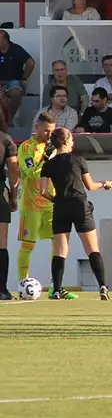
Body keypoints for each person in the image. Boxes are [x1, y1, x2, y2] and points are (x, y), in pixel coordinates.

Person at [38, 128, 112, 300]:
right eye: (71, 139)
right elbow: (90, 185)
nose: (73, 141)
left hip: (61, 207)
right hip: (80, 205)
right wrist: (104, 183)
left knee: (60, 251)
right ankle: (103, 286)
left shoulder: (48, 164)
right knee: (92, 249)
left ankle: (57, 289)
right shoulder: (78, 160)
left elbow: (42, 190)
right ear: (65, 141)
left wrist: (55, 199)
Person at [15, 113, 57, 293]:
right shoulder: (26, 148)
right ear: (37, 127)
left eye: (52, 131)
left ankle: (56, 285)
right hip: (31, 205)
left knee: (58, 243)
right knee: (27, 245)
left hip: (51, 203)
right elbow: (32, 173)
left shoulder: (54, 147)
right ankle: (23, 285)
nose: (49, 135)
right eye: (47, 131)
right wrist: (46, 159)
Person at [0, 127, 17, 299]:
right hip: (0, 193)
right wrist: (13, 196)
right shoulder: (5, 139)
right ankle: (2, 290)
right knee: (1, 243)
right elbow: (14, 170)